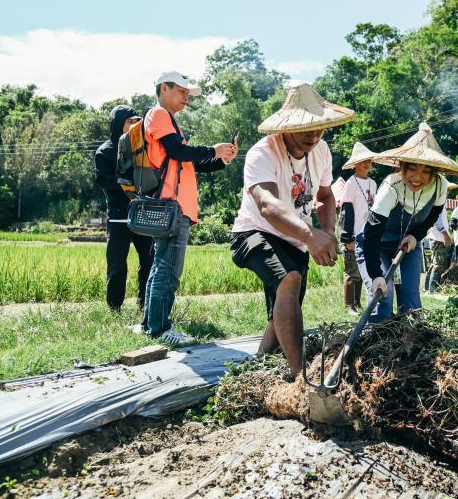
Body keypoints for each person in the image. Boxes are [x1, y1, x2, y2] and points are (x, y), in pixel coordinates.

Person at [231, 83, 352, 377]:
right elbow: (267, 205)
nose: (313, 136)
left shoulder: (321, 150)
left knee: (283, 310)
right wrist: (311, 235)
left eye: (319, 128)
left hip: (295, 239)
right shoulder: (262, 153)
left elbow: (324, 197)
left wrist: (326, 231)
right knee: (289, 278)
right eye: (305, 129)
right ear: (286, 128)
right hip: (254, 233)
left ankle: (258, 368)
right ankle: (300, 376)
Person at [140, 71, 238, 345]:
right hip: (172, 206)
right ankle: (160, 329)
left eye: (187, 93)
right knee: (169, 269)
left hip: (174, 206)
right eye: (182, 91)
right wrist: (213, 149)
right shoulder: (159, 115)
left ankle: (150, 324)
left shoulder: (170, 122)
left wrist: (221, 158)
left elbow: (188, 163)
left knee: (160, 265)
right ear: (164, 88)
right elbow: (179, 152)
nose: (186, 97)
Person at [357, 123, 458, 323]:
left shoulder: (440, 185)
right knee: (383, 297)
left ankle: (410, 347)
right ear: (401, 166)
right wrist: (375, 273)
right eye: (412, 168)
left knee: (411, 301)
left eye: (426, 171)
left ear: (434, 172)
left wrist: (416, 236)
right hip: (375, 246)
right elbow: (372, 232)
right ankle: (374, 349)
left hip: (408, 246)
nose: (418, 177)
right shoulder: (391, 186)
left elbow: (433, 215)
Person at [94, 105, 153, 311]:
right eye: (130, 121)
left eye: (137, 121)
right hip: (118, 217)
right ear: (119, 124)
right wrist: (125, 181)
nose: (135, 125)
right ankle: (114, 307)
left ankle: (145, 305)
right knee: (117, 264)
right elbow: (102, 180)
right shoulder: (105, 151)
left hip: (142, 213)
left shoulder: (141, 147)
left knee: (149, 261)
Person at [339, 142, 378, 314]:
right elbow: (346, 211)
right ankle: (349, 305)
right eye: (363, 161)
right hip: (353, 233)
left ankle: (358, 302)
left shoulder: (373, 184)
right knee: (351, 271)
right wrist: (348, 237)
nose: (367, 164)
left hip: (367, 233)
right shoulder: (351, 183)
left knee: (363, 270)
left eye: (369, 160)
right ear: (355, 163)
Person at [425, 181, 458, 292]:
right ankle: (432, 289)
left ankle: (428, 288)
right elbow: (436, 220)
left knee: (435, 263)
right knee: (438, 264)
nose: (448, 192)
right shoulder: (437, 202)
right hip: (438, 236)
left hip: (437, 235)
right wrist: (445, 235)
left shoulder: (439, 201)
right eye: (447, 189)